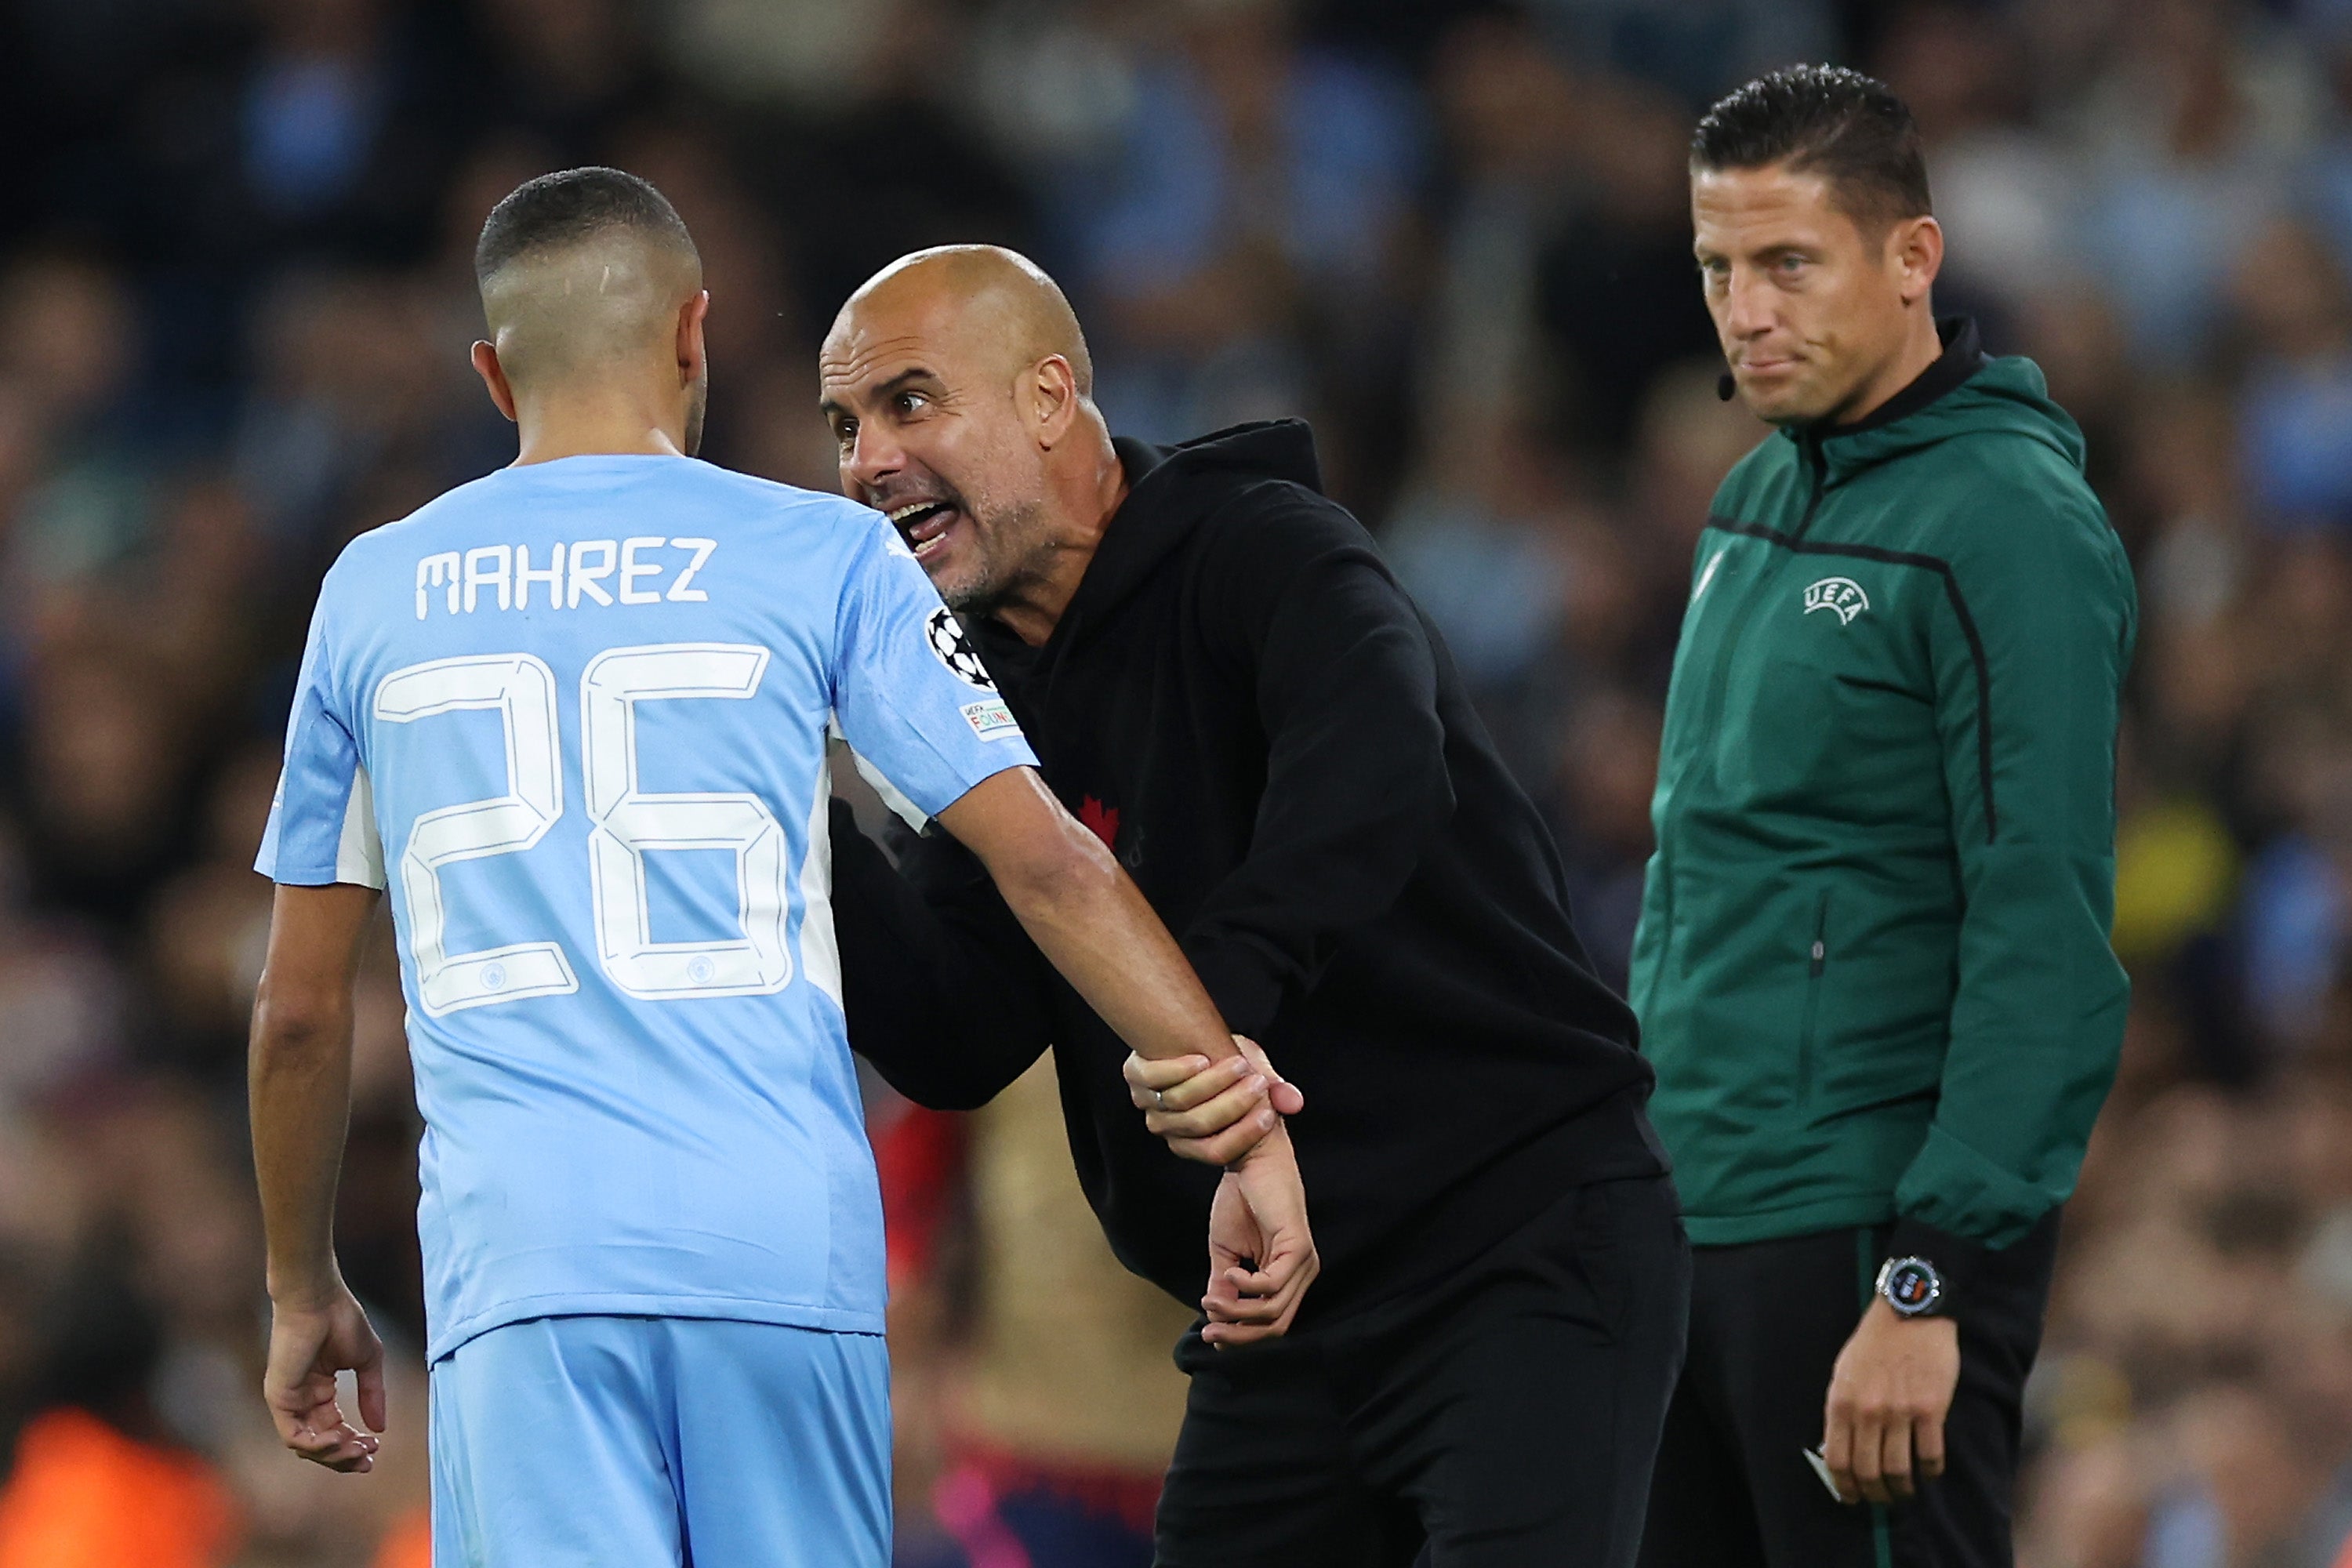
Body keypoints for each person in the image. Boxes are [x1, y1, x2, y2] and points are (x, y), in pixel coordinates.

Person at [244, 168, 1314, 1568]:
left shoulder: (372, 590)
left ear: (494, 376)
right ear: (694, 335)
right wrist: (1243, 1122)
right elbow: (1050, 863)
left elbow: (302, 1011)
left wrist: (299, 1285)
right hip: (779, 1252)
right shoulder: (825, 555)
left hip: (524, 1267)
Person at [818, 244, 1687, 1568]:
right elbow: (961, 1033)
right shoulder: (977, 701)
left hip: (1515, 1250)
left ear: (1052, 395)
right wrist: (797, 826)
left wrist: (1207, 1040)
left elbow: (1378, 772)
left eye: (909, 402)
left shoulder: (1263, 546)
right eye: (845, 425)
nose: (866, 461)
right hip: (1276, 1322)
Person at [1630, 67, 2136, 1568]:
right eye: (1719, 268)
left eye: (1790, 263)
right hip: (1686, 1227)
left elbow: (2042, 922)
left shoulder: (2009, 526)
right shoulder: (1748, 503)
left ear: (1912, 258)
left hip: (1860, 1238)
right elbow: (1696, 881)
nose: (1745, 311)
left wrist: (1931, 1284)